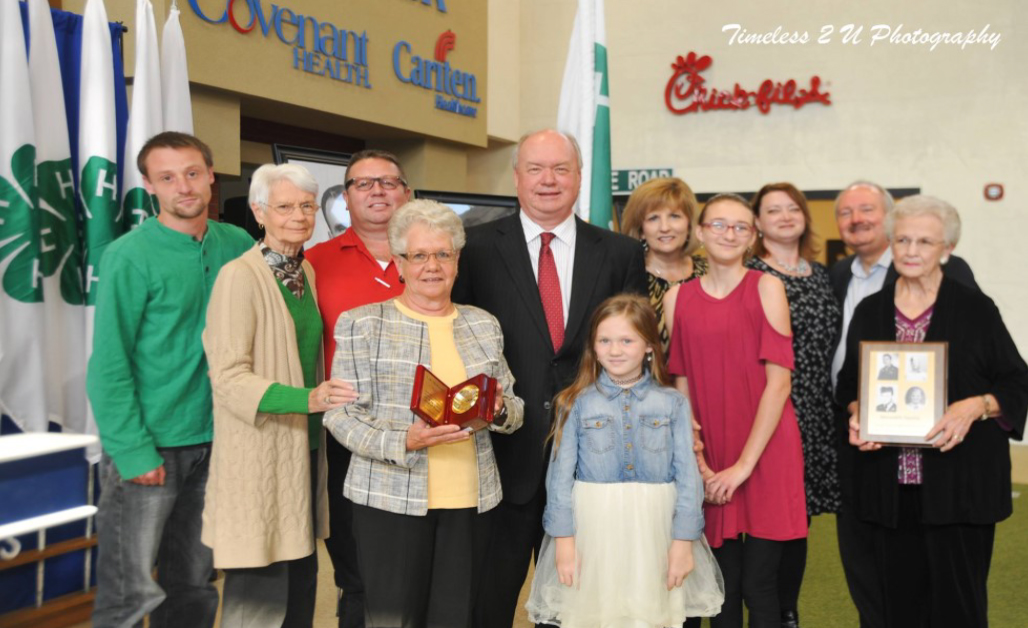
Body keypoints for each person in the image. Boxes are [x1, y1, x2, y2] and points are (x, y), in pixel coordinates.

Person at [452, 129, 648, 627]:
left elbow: (634, 352)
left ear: (579, 178)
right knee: (488, 602)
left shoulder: (621, 253)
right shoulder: (472, 248)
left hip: (591, 460)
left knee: (578, 604)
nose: (548, 180)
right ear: (516, 178)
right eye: (535, 168)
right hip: (500, 458)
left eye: (561, 168)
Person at [325, 200, 525, 628]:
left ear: (456, 261)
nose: (431, 265)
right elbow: (339, 416)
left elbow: (514, 407)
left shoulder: (482, 324)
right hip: (389, 501)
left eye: (443, 254)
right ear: (399, 262)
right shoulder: (363, 324)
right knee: (393, 619)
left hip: (472, 501)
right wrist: (404, 440)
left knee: (456, 618)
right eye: (419, 255)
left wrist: (499, 409)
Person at [86, 132, 253, 628]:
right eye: (167, 177)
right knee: (129, 592)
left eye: (192, 173)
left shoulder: (238, 244)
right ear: (149, 185)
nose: (183, 186)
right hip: (151, 446)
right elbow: (108, 365)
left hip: (219, 441)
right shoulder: (128, 256)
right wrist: (133, 452)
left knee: (195, 586)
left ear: (210, 176)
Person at [837, 195, 1028, 628]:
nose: (910, 250)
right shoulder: (871, 311)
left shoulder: (976, 308)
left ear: (947, 249)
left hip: (960, 489)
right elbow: (849, 384)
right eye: (902, 239)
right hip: (890, 490)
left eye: (925, 241)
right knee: (895, 607)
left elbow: (1016, 381)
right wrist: (857, 412)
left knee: (958, 608)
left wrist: (976, 406)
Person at [201, 163, 357, 627]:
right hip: (261, 451)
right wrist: (307, 400)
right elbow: (227, 377)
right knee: (260, 593)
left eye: (307, 206)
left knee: (300, 579)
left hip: (306, 450)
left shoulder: (303, 269)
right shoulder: (239, 277)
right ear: (258, 212)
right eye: (284, 206)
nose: (298, 215)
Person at [828, 181, 978, 628]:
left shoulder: (957, 286)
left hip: (942, 462)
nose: (857, 219)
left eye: (868, 209)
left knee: (944, 588)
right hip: (869, 450)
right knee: (879, 579)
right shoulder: (842, 280)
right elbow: (846, 372)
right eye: (847, 212)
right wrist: (857, 407)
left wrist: (974, 405)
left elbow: (984, 364)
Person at [526, 294, 724, 627]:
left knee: (651, 616)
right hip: (593, 531)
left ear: (648, 345)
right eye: (605, 340)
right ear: (593, 346)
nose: (614, 350)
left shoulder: (672, 403)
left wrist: (682, 542)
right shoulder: (574, 403)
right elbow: (559, 479)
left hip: (656, 530)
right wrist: (564, 541)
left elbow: (688, 480)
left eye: (626, 340)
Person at [665, 193, 807, 628]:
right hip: (711, 451)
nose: (729, 233)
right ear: (701, 232)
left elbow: (779, 383)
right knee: (720, 586)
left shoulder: (767, 287)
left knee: (760, 584)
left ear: (753, 237)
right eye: (720, 224)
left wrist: (742, 467)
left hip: (766, 451)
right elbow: (681, 383)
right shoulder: (677, 298)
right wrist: (701, 463)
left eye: (741, 227)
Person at [306, 149, 412, 627]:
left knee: (416, 563)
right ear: (345, 199)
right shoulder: (312, 263)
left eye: (388, 182)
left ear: (407, 193)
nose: (377, 191)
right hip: (347, 434)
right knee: (357, 568)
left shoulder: (437, 255)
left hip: (423, 431)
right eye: (363, 184)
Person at [746, 183, 841, 628]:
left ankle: (788, 610)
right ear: (758, 222)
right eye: (772, 210)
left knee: (797, 518)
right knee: (765, 519)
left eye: (792, 208)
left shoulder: (822, 274)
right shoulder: (750, 275)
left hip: (817, 412)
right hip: (771, 409)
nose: (785, 216)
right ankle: (758, 606)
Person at [619, 177, 708, 355]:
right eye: (653, 218)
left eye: (674, 216)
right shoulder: (625, 277)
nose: (665, 227)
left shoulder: (711, 273)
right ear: (641, 230)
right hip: (644, 381)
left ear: (690, 224)